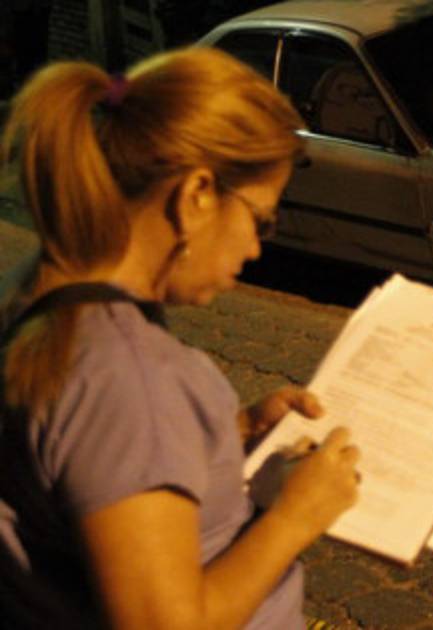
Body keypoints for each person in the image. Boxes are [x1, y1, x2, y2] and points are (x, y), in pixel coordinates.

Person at [0, 48, 360, 628]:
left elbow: (87, 461)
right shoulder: (130, 376)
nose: (255, 249)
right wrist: (295, 517)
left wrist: (227, 434)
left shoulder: (38, 295)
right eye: (259, 219)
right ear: (196, 195)